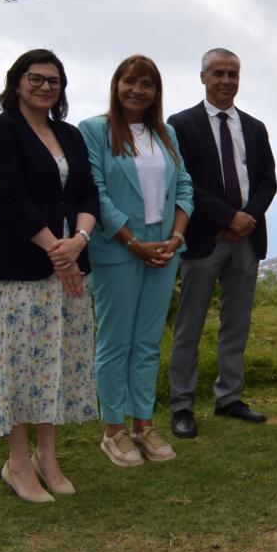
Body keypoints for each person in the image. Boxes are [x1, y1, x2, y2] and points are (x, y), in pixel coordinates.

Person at [0, 50, 99, 501]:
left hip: (69, 265)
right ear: (16, 82)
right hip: (19, 269)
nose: (46, 86)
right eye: (36, 78)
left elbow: (87, 192)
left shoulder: (69, 135)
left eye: (54, 80)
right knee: (20, 367)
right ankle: (16, 462)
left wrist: (79, 243)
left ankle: (47, 457)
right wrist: (57, 250)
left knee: (56, 364)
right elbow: (9, 197)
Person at [80, 55, 193, 466]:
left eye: (147, 84)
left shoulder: (167, 134)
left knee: (146, 343)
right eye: (130, 82)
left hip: (164, 249)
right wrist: (132, 242)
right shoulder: (94, 130)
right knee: (115, 342)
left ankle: (143, 424)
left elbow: (184, 186)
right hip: (117, 251)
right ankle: (113, 430)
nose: (138, 90)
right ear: (117, 84)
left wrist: (175, 237)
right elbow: (96, 193)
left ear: (156, 92)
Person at [166, 48, 277, 438]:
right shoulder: (180, 125)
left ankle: (229, 397)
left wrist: (246, 219)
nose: (226, 81)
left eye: (233, 74)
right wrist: (227, 217)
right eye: (218, 73)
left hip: (246, 240)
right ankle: (182, 404)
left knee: (237, 323)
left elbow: (267, 181)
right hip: (203, 239)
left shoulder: (254, 126)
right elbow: (184, 182)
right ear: (203, 77)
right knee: (190, 325)